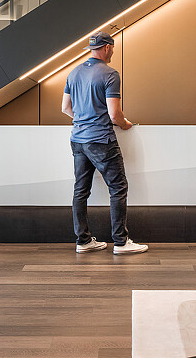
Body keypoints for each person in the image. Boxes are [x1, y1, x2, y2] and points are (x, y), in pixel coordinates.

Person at [62, 31, 148, 255]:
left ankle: (83, 241)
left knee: (81, 190)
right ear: (108, 47)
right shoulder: (110, 74)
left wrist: (83, 120)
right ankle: (120, 242)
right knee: (118, 187)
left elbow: (65, 108)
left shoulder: (73, 72)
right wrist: (126, 124)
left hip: (78, 140)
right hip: (101, 140)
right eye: (113, 48)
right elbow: (114, 114)